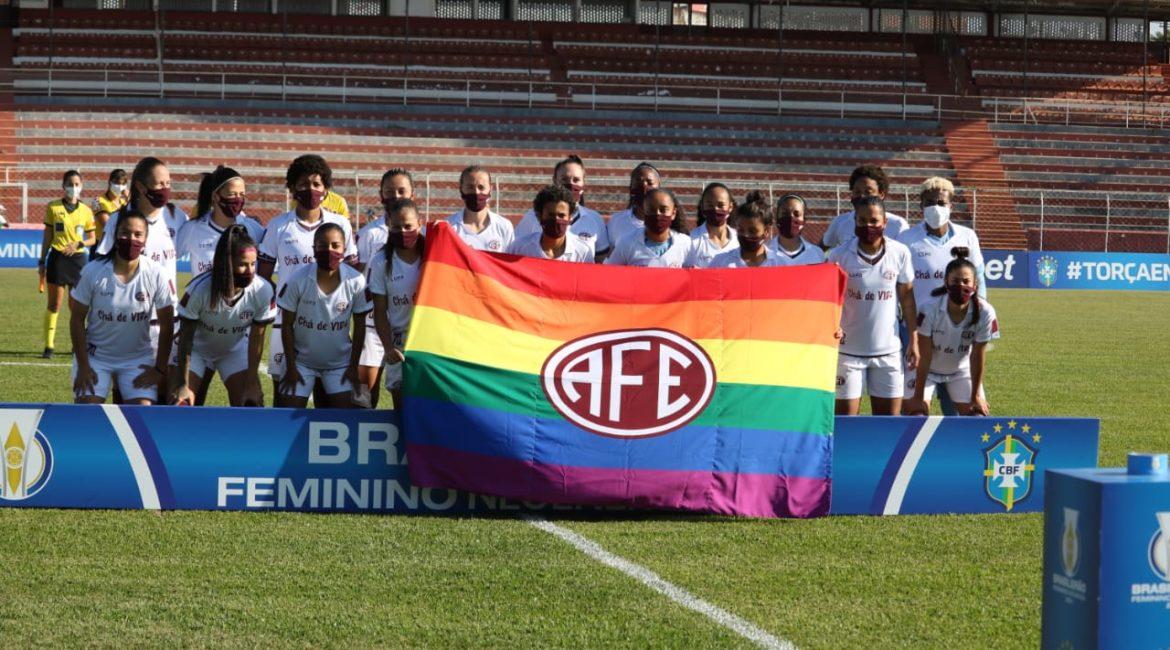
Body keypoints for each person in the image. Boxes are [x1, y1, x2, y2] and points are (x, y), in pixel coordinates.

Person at [258, 154, 357, 396]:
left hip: (331, 323)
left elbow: (354, 274)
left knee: (329, 400)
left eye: (316, 184)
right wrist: (281, 300)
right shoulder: (279, 226)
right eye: (303, 184)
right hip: (288, 323)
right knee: (285, 395)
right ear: (292, 188)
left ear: (325, 188)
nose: (310, 189)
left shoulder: (340, 224)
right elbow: (262, 277)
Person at [69, 209, 174, 405]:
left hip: (137, 359)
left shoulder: (156, 273)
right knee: (87, 414)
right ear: (116, 235)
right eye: (125, 232)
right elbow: (76, 319)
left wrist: (159, 369)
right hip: (95, 359)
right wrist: (83, 366)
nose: (131, 239)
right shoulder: (93, 271)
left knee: (142, 414)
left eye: (138, 234)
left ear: (145, 239)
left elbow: (167, 325)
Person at [826, 197, 918, 416]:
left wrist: (913, 340)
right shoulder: (838, 255)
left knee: (888, 425)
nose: (868, 226)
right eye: (862, 220)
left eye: (874, 220)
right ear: (855, 222)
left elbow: (907, 299)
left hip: (888, 352)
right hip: (847, 354)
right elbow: (829, 300)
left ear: (885, 222)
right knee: (846, 424)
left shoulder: (900, 252)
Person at [172, 225, 276, 407]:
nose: (250, 271)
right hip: (196, 351)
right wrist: (182, 383)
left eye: (253, 264)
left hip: (234, 350)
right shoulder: (199, 289)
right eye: (243, 264)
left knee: (251, 405)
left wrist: (252, 382)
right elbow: (186, 339)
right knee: (182, 404)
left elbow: (257, 338)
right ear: (227, 263)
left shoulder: (263, 290)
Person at [275, 223, 371, 409]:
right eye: (322, 245)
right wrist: (292, 367)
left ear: (344, 248)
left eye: (335, 245)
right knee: (287, 418)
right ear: (314, 248)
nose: (329, 250)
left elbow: (360, 327)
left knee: (344, 418)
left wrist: (353, 367)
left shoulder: (356, 281)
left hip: (340, 365)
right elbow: (287, 325)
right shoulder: (298, 279)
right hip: (300, 364)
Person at [903, 250, 1000, 416]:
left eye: (966, 281)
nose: (961, 285)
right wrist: (918, 397)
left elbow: (977, 356)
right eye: (955, 281)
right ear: (946, 283)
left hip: (961, 371)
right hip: (927, 372)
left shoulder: (986, 312)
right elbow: (924, 356)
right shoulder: (929, 308)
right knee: (916, 415)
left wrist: (975, 396)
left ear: (975, 285)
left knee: (977, 416)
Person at [354, 168, 414, 408]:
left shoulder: (425, 234)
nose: (396, 196)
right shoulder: (369, 234)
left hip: (408, 329)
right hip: (372, 324)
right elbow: (356, 277)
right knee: (365, 396)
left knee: (408, 396)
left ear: (413, 193)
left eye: (402, 190)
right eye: (390, 191)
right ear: (381, 195)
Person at [367, 199, 424, 408]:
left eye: (408, 226)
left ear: (420, 222)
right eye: (396, 227)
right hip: (400, 346)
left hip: (430, 344)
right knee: (402, 411)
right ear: (388, 226)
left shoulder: (433, 254)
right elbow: (380, 311)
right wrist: (388, 347)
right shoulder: (381, 261)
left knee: (429, 410)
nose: (403, 231)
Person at [39, 170, 96, 359]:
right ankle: (49, 346)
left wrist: (80, 243)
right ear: (63, 186)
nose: (74, 188)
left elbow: (93, 238)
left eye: (77, 184)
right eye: (70, 184)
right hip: (58, 259)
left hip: (79, 261)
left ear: (82, 186)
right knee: (54, 304)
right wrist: (42, 259)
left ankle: (76, 345)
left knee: (76, 307)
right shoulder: (53, 208)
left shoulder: (86, 211)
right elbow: (48, 236)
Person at [514, 155, 611, 259]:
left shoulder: (595, 219)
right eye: (564, 179)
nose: (570, 184)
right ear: (555, 180)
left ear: (584, 182)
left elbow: (600, 262)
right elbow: (516, 251)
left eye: (576, 180)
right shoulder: (533, 216)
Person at [175, 166, 263, 276]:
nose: (238, 199)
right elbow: (167, 257)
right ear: (216, 196)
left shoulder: (253, 228)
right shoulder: (193, 229)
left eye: (242, 194)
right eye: (232, 194)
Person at [820, 165, 909, 249]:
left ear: (881, 194)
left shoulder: (898, 225)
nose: (862, 196)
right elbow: (821, 249)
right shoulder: (840, 222)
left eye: (868, 192)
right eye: (857, 192)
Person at [605, 188, 692, 268]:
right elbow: (611, 274)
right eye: (651, 209)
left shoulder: (685, 243)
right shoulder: (626, 243)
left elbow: (693, 276)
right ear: (644, 211)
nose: (657, 214)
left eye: (663, 210)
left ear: (673, 213)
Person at [508, 185, 595, 263]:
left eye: (561, 215)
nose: (556, 219)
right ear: (540, 216)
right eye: (551, 215)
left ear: (570, 218)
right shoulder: (519, 248)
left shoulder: (583, 252)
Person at [445, 165, 513, 252]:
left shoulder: (504, 226)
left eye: (481, 187)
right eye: (470, 187)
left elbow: (509, 263)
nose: (476, 192)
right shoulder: (449, 227)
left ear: (490, 189)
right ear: (461, 189)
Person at [708, 191, 782, 268]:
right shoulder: (720, 262)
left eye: (752, 231)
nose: (745, 235)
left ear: (766, 231)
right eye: (741, 230)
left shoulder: (780, 263)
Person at [606, 162, 660, 247]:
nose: (644, 187)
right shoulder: (616, 221)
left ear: (659, 188)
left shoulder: (668, 223)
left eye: (650, 183)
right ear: (631, 188)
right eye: (639, 183)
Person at [687, 182, 737, 268]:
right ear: (702, 206)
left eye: (720, 205)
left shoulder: (739, 239)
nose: (715, 209)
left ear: (730, 207)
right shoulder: (691, 240)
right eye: (710, 205)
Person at [770, 194, 826, 266]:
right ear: (777, 217)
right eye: (785, 213)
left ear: (804, 219)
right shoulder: (764, 252)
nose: (791, 217)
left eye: (796, 214)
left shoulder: (817, 253)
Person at [91, 168, 128, 260]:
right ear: (110, 182)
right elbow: (108, 225)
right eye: (117, 183)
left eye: (123, 184)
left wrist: (130, 200)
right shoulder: (98, 201)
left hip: (119, 246)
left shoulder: (125, 202)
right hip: (102, 246)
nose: (120, 186)